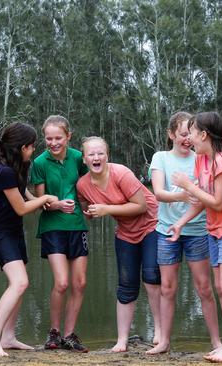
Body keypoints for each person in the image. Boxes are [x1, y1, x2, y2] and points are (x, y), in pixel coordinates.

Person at [167, 111, 222, 362]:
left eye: (191, 132)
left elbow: (217, 202)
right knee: (220, 287)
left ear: (203, 135)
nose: (189, 137)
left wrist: (187, 186)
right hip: (214, 230)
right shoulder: (202, 160)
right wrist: (181, 223)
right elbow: (204, 200)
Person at [75, 136, 161, 353]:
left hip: (153, 225)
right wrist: (90, 213)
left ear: (107, 155)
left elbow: (141, 206)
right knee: (126, 285)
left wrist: (106, 209)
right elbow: (87, 210)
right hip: (125, 233)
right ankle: (122, 340)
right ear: (84, 159)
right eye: (91, 154)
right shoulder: (83, 184)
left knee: (151, 277)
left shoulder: (121, 173)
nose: (96, 157)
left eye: (100, 153)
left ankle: (159, 330)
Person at [147, 112, 221, 354]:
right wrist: (182, 193)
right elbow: (158, 192)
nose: (187, 138)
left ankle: (216, 342)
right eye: (182, 134)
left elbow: (205, 195)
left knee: (204, 287)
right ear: (171, 135)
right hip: (166, 231)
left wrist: (189, 192)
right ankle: (164, 342)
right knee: (167, 287)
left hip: (198, 231)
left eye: (190, 133)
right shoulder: (160, 158)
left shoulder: (201, 158)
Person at [0, 122, 58, 357]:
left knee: (19, 284)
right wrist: (43, 196)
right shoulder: (2, 171)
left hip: (14, 231)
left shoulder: (19, 166)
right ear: (21, 147)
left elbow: (23, 194)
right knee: (20, 282)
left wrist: (47, 203)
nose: (33, 150)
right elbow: (22, 208)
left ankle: (8, 336)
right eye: (31, 146)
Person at [30, 115, 89, 352]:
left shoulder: (78, 158)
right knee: (62, 283)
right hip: (52, 227)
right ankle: (53, 333)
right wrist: (55, 205)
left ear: (68, 136)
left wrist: (90, 207)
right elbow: (40, 201)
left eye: (58, 138)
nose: (53, 143)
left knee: (80, 283)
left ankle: (69, 335)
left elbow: (86, 188)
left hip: (77, 225)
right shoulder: (40, 162)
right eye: (48, 138)